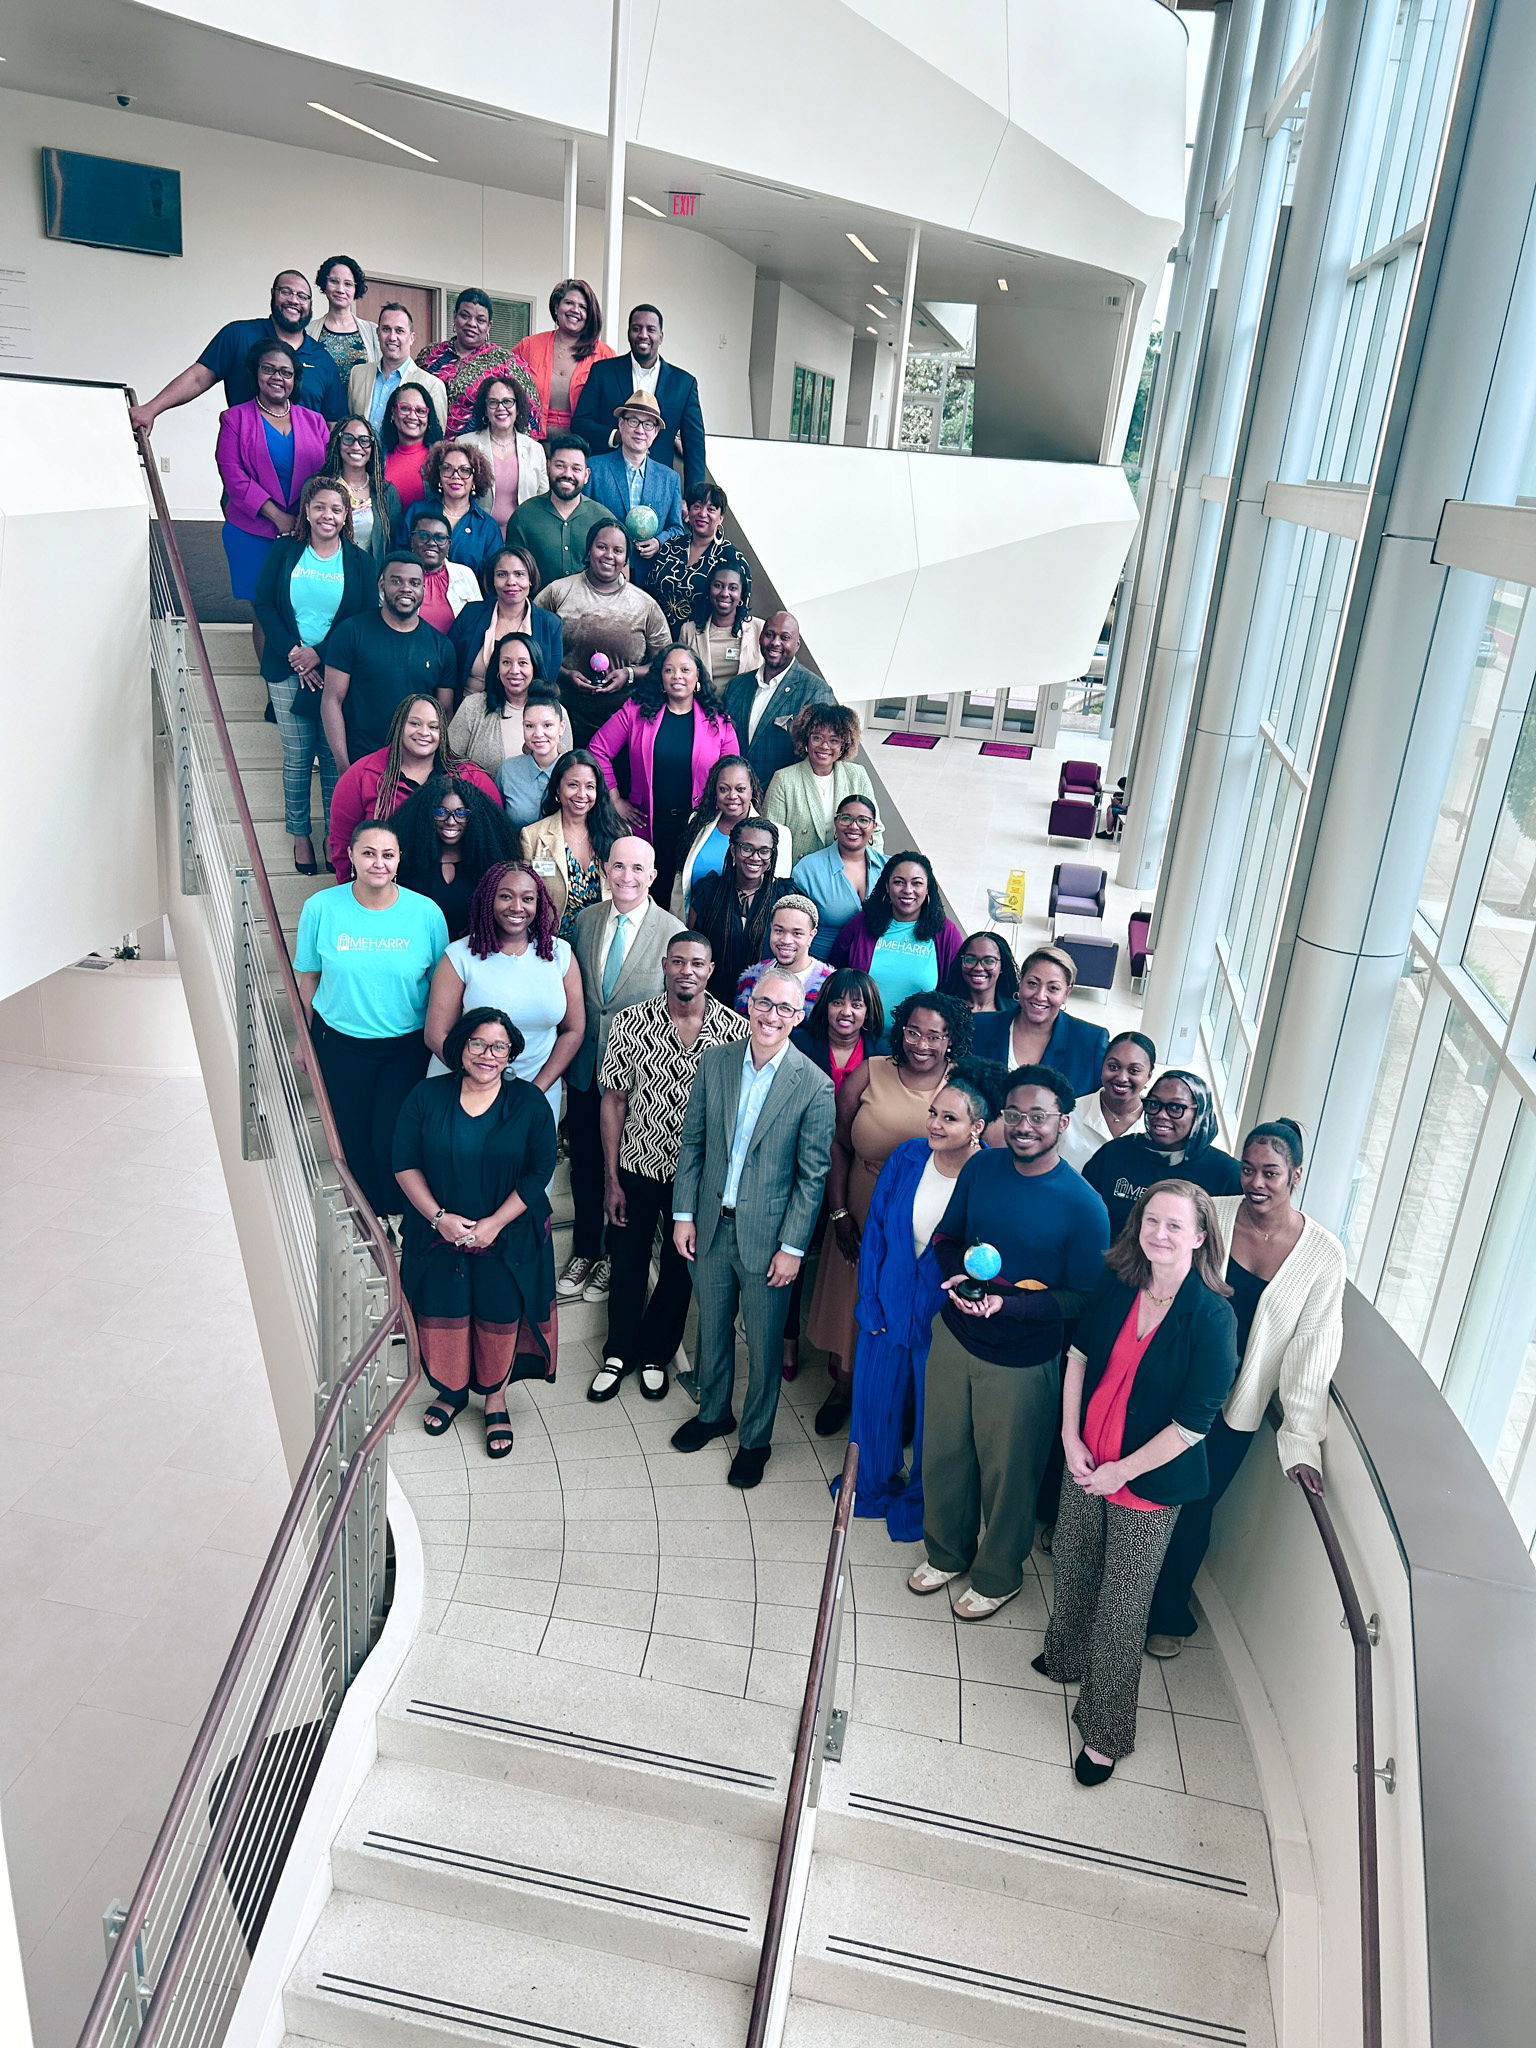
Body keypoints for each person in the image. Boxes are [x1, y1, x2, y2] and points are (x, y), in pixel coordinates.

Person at [1036, 1181, 1237, 1784]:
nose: (1160, 1234)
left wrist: (1119, 1471)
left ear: (1200, 1237)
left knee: (1122, 1611)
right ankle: (1067, 1655)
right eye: (1152, 1221)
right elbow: (1077, 1358)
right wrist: (1071, 1440)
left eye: (1176, 1225)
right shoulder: (1121, 1284)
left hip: (1145, 1482)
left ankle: (1105, 1733)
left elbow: (1193, 1425)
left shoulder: (1212, 1317)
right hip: (1085, 1459)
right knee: (1071, 1562)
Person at [909, 1065, 1111, 1621]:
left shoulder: (1084, 1205)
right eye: (1015, 1115)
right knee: (944, 1452)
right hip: (957, 1334)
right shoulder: (982, 1169)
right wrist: (958, 1280)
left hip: (1023, 1359)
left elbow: (1083, 1297)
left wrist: (1009, 1304)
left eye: (1039, 1117)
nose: (1024, 1126)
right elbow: (949, 1238)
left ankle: (998, 1576)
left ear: (1063, 1123)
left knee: (1008, 1474)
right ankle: (947, 1552)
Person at [1145, 1119, 1345, 1659]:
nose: (1257, 1181)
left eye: (1272, 1172)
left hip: (1235, 1406)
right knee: (1143, 1489)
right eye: (1249, 1168)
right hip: (1170, 1384)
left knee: (1195, 1504)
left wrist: (1302, 1441)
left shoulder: (1323, 1254)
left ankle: (1165, 1613)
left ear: (1296, 1175)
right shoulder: (1212, 1212)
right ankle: (1119, 1599)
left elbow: (1313, 1346)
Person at [671, 972, 835, 1486]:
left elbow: (813, 1178)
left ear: (799, 1016)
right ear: (749, 1003)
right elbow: (693, 1142)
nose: (771, 1016)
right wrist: (682, 1214)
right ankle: (714, 1411)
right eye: (763, 1003)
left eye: (784, 1008)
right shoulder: (716, 1061)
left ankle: (755, 1438)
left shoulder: (813, 1084)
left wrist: (792, 1248)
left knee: (764, 1348)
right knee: (711, 1329)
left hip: (769, 1240)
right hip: (711, 1227)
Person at [588, 931, 749, 1404]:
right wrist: (611, 1177)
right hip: (638, 1164)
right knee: (629, 1260)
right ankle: (618, 1352)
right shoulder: (629, 1023)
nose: (687, 972)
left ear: (710, 969)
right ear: (664, 964)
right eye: (678, 962)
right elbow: (613, 1100)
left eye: (697, 964)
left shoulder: (734, 1033)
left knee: (682, 1268)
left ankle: (656, 1353)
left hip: (697, 1178)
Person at [393, 1006, 558, 1457]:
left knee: (498, 1317)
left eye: (499, 1046)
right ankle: (450, 1390)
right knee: (443, 1313)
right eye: (478, 1043)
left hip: (508, 1238)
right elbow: (404, 1163)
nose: (488, 1054)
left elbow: (539, 1170)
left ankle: (495, 1399)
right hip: (437, 1235)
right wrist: (438, 1218)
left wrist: (493, 1224)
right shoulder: (426, 1096)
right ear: (460, 1047)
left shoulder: (527, 1102)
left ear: (510, 1054)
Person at [808, 990, 973, 1433]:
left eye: (934, 1035)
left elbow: (981, 1152)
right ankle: (845, 1387)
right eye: (913, 1031)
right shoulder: (871, 1072)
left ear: (950, 1040)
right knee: (854, 1298)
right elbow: (838, 1143)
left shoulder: (963, 1086)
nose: (921, 1043)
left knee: (909, 1303)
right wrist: (839, 1213)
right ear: (900, 1031)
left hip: (926, 1217)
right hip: (860, 1205)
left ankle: (903, 1397)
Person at [852, 1065, 999, 1541]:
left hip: (944, 1314)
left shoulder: (990, 1175)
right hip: (889, 1297)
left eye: (950, 1119)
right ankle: (870, 1486)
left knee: (936, 1419)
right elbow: (876, 1230)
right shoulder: (907, 1157)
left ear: (976, 1127)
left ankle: (921, 1502)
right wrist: (869, 1302)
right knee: (873, 1400)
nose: (935, 1124)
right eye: (933, 1113)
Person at [294, 818, 447, 1219]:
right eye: (368, 853)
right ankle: (365, 1217)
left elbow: (441, 985)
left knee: (391, 1137)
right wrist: (304, 1038)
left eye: (388, 855)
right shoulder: (320, 908)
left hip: (404, 1046)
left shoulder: (426, 914)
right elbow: (309, 976)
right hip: (339, 1042)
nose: (378, 862)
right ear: (351, 856)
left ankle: (396, 1217)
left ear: (399, 861)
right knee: (352, 1136)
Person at [563, 839, 683, 1303]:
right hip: (587, 1069)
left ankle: (616, 1257)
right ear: (606, 869)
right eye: (618, 866)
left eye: (638, 867)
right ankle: (584, 1251)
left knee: (626, 1174)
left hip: (640, 1079)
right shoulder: (588, 920)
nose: (626, 876)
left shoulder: (671, 931)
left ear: (653, 875)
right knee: (586, 1165)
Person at [251, 475, 373, 872]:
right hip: (286, 669)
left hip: (334, 672)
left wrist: (318, 655)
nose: (327, 515)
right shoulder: (286, 550)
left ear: (346, 516)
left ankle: (332, 835)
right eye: (320, 506)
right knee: (298, 755)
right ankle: (300, 834)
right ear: (306, 510)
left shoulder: (359, 561)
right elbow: (264, 603)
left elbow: (362, 618)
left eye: (336, 509)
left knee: (331, 753)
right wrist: (294, 653)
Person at [783, 969, 885, 1384]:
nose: (846, 1012)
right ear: (823, 1004)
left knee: (845, 1259)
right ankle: (788, 1338)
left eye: (857, 1004)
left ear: (868, 1011)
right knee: (792, 1253)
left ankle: (839, 1349)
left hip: (851, 1170)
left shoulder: (880, 1054)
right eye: (838, 1002)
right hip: (798, 1166)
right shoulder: (799, 1044)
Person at [424, 862, 584, 1125]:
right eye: (505, 896)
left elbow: (574, 1030)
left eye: (527, 898)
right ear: (489, 899)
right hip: (464, 1088)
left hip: (536, 1092)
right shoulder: (460, 955)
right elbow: (435, 1035)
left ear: (539, 903)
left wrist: (535, 1090)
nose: (517, 907)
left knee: (529, 1166)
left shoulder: (561, 954)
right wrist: (482, 1084)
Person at [588, 646, 740, 897]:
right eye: (669, 670)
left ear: (698, 678)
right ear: (660, 678)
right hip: (646, 824)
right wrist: (615, 799)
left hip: (698, 826)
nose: (677, 676)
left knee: (689, 897)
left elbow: (733, 773)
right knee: (647, 895)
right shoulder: (636, 711)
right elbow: (597, 749)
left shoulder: (718, 721)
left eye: (685, 669)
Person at [129, 269, 345, 434]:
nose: (294, 300)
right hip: (245, 464)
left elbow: (332, 424)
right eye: (286, 292)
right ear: (273, 294)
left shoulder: (323, 360)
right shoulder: (238, 335)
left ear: (310, 303)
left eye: (302, 296)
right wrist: (151, 409)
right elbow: (197, 378)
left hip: (306, 478)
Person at [327, 695, 501, 881]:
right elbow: (343, 845)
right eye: (415, 723)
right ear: (399, 726)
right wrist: (358, 895)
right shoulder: (361, 776)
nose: (424, 732)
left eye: (433, 727)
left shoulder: (471, 777)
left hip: (458, 889)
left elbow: (495, 838)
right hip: (388, 891)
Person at [214, 340, 330, 613]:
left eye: (286, 372)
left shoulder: (315, 421)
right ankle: (267, 659)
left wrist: (304, 520)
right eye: (269, 369)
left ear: (294, 378)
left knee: (306, 608)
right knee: (266, 611)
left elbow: (328, 476)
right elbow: (233, 476)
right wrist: (277, 517)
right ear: (255, 373)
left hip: (307, 531)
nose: (277, 377)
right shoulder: (235, 419)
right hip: (253, 530)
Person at [538, 520, 672, 747]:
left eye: (618, 550)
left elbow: (664, 664)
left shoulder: (645, 605)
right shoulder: (557, 592)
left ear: (626, 558)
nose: (609, 555)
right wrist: (564, 674)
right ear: (589, 549)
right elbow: (532, 648)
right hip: (563, 720)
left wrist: (628, 674)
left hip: (624, 724)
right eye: (602, 547)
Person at [321, 556, 456, 772]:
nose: (406, 589)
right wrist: (343, 765)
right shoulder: (352, 632)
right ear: (382, 585)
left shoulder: (441, 646)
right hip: (362, 762)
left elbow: (444, 712)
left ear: (423, 588)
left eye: (414, 583)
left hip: (416, 768)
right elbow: (332, 700)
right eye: (396, 581)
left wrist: (432, 765)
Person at [1084, 1069, 1243, 1239]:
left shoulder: (1226, 1174)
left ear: (1200, 1113)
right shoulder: (1115, 1154)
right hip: (1110, 1263)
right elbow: (1083, 1216)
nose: (1161, 1114)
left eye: (1176, 1108)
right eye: (1154, 1104)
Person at [571, 303, 707, 490]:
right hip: (606, 482)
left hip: (659, 486)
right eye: (636, 328)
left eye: (651, 329)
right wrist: (617, 436)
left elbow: (694, 446)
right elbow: (580, 422)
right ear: (628, 333)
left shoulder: (684, 383)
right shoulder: (603, 372)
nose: (643, 335)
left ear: (661, 336)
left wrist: (694, 497)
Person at [830, 852, 965, 1016]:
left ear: (928, 888)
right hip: (863, 1036)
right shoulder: (862, 923)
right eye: (899, 882)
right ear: (887, 886)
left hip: (918, 1039)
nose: (908, 890)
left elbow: (957, 989)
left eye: (917, 883)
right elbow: (834, 975)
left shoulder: (945, 933)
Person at [971, 944, 1110, 1098]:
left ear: (1066, 992)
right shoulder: (980, 1026)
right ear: (1020, 981)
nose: (1040, 996)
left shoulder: (1091, 1042)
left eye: (1053, 988)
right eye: (1032, 983)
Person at [393, 772, 519, 941]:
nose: (451, 821)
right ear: (426, 816)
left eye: (461, 814)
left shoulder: (491, 865)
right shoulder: (407, 864)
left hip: (473, 957)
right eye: (440, 812)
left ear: (475, 819)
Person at [722, 613, 836, 788]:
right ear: (761, 637)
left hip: (782, 799)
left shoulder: (815, 691)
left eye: (785, 638)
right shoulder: (736, 687)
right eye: (770, 634)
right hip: (734, 800)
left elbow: (820, 758)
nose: (775, 642)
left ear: (797, 644)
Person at [520, 748, 623, 938]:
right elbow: (525, 896)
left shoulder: (618, 834)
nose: (582, 794)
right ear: (558, 788)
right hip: (553, 941)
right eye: (573, 785)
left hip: (604, 939)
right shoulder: (532, 836)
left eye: (590, 786)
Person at [585, 392, 685, 586]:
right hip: (601, 575)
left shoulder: (670, 479)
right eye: (633, 421)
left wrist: (658, 542)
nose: (640, 430)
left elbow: (677, 529)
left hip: (651, 576)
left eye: (648, 424)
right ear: (621, 425)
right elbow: (582, 519)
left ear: (655, 433)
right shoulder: (595, 468)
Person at [689, 818, 793, 1004]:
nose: (755, 857)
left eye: (764, 851)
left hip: (765, 1004)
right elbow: (692, 948)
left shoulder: (784, 898)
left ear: (772, 856)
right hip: (711, 1002)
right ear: (733, 850)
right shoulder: (709, 891)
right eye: (747, 848)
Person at [764, 704, 882, 867]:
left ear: (844, 745)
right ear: (806, 739)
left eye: (834, 740)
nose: (824, 746)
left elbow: (875, 830)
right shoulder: (784, 779)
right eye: (817, 738)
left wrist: (873, 871)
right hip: (799, 875)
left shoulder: (857, 775)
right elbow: (770, 837)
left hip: (848, 871)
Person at [420, 287, 541, 438]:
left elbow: (530, 415)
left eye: (480, 320)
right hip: (427, 447)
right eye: (465, 316)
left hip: (480, 454)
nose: (472, 323)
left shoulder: (506, 363)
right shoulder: (430, 356)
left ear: (489, 325)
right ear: (454, 316)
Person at [674, 756, 790, 914]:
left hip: (746, 931)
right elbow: (680, 885)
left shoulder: (778, 834)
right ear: (715, 791)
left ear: (752, 790)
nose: (732, 796)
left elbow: (776, 897)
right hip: (696, 927)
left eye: (740, 789)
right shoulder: (697, 822)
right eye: (724, 789)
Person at [449, 545, 564, 695]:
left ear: (530, 578)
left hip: (524, 713)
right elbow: (449, 669)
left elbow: (547, 682)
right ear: (492, 580)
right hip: (469, 710)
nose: (511, 581)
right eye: (502, 574)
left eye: (519, 574)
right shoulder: (471, 613)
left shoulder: (550, 624)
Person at [514, 278, 616, 441]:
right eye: (569, 303)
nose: (575, 310)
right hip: (531, 445)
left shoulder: (605, 355)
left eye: (583, 307)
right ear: (556, 307)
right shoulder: (529, 346)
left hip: (582, 451)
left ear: (589, 315)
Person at [504, 435, 612, 588]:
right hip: (537, 609)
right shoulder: (523, 517)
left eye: (576, 469)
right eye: (560, 466)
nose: (568, 474)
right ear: (548, 467)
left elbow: (619, 575)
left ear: (586, 475)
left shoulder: (603, 520)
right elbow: (513, 575)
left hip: (592, 611)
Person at [451, 637, 569, 777]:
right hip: (476, 796)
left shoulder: (556, 711)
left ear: (534, 667)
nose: (514, 670)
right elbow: (450, 761)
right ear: (497, 668)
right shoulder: (473, 707)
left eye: (522, 663)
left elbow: (566, 771)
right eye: (506, 662)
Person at [791, 797, 887, 963]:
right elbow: (793, 929)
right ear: (836, 822)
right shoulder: (808, 868)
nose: (854, 826)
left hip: (880, 969)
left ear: (874, 827)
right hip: (823, 972)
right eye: (846, 818)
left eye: (863, 820)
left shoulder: (889, 868)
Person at [658, 486, 753, 641]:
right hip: (659, 637)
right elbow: (650, 589)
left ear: (721, 517)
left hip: (702, 641)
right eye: (697, 506)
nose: (702, 514)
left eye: (711, 509)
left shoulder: (732, 558)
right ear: (688, 511)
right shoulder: (671, 546)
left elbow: (741, 607)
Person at [402, 442, 501, 582]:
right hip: (417, 599)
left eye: (465, 470)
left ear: (475, 478)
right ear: (438, 476)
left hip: (469, 602)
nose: (455, 476)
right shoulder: (416, 512)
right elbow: (398, 559)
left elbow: (492, 581)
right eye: (447, 468)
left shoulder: (487, 527)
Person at [461, 377, 548, 535]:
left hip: (523, 536)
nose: (501, 408)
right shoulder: (465, 445)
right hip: (477, 534)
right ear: (485, 409)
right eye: (493, 402)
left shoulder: (535, 449)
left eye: (507, 401)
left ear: (518, 407)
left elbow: (544, 501)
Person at [1059, 1032, 1157, 1172]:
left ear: (1149, 1075)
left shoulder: (1157, 1126)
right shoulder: (1069, 1113)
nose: (1122, 1078)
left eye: (1134, 1071)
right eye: (1113, 1067)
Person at [348, 301, 447, 436]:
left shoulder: (432, 386)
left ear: (412, 338)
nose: (392, 337)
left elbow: (435, 440)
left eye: (399, 331)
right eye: (386, 329)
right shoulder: (358, 375)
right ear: (378, 333)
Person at [320, 416, 402, 570]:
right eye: (348, 439)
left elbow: (393, 546)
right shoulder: (318, 487)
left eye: (364, 440)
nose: (356, 447)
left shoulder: (386, 493)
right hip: (325, 577)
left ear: (373, 448)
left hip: (368, 579)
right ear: (337, 443)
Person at [735, 896, 830, 1015]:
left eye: (797, 933)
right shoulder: (752, 978)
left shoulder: (828, 986)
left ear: (811, 936)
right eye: (779, 931)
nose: (786, 940)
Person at [678, 556, 762, 690]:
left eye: (733, 588)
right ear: (709, 590)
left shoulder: (760, 630)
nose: (724, 593)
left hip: (745, 709)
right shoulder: (689, 631)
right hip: (703, 708)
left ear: (741, 595)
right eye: (718, 586)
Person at [497, 686, 573, 830]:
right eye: (530, 726)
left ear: (561, 727)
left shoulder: (573, 771)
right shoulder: (508, 770)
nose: (538, 733)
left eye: (547, 725)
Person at [405, 510, 482, 634]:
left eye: (440, 538)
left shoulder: (466, 575)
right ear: (411, 540)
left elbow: (478, 624)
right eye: (423, 535)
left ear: (448, 545)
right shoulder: (397, 575)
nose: (431, 543)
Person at [308, 255, 378, 379]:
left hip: (360, 399)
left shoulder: (373, 332)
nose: (341, 289)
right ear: (324, 284)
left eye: (348, 284)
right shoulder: (308, 331)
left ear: (356, 289)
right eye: (334, 281)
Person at [381, 382, 443, 516]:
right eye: (404, 408)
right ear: (393, 413)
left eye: (420, 411)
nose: (412, 416)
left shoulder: (442, 458)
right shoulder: (377, 456)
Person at [944, 932, 1021, 1020]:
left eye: (989, 961)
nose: (978, 968)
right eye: (970, 959)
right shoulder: (942, 1009)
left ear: (1002, 967)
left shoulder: (1017, 1012)